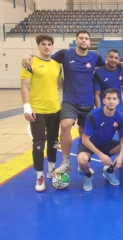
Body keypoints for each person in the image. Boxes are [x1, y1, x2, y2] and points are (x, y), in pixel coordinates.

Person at [22, 30, 123, 174]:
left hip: (87, 101)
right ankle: (66, 162)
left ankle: (82, 159)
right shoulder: (64, 54)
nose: (84, 40)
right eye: (81, 38)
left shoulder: (94, 57)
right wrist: (30, 56)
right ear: (76, 40)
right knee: (65, 126)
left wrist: (120, 62)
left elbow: (110, 63)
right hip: (70, 100)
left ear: (89, 42)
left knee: (84, 132)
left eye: (86, 38)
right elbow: (45, 57)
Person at [20, 35, 62, 192]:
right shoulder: (30, 63)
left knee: (53, 142)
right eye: (43, 44)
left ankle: (51, 169)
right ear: (38, 46)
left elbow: (61, 84)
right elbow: (24, 86)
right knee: (38, 145)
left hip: (55, 109)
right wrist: (26, 107)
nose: (46, 46)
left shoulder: (57, 64)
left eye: (49, 44)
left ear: (52, 46)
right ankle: (39, 175)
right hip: (37, 111)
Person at [77, 88, 123, 191]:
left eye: (114, 99)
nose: (111, 101)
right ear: (104, 101)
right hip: (89, 145)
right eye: (109, 98)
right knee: (82, 161)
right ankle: (88, 175)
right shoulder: (93, 115)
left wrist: (120, 156)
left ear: (118, 101)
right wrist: (99, 154)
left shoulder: (120, 117)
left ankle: (109, 171)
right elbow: (85, 140)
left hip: (106, 144)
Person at [93, 48, 123, 171]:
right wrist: (99, 109)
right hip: (105, 108)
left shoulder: (122, 69)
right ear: (107, 57)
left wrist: (121, 63)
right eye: (111, 57)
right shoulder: (99, 73)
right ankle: (99, 154)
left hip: (119, 107)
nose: (113, 60)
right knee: (104, 133)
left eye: (116, 58)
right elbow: (97, 94)